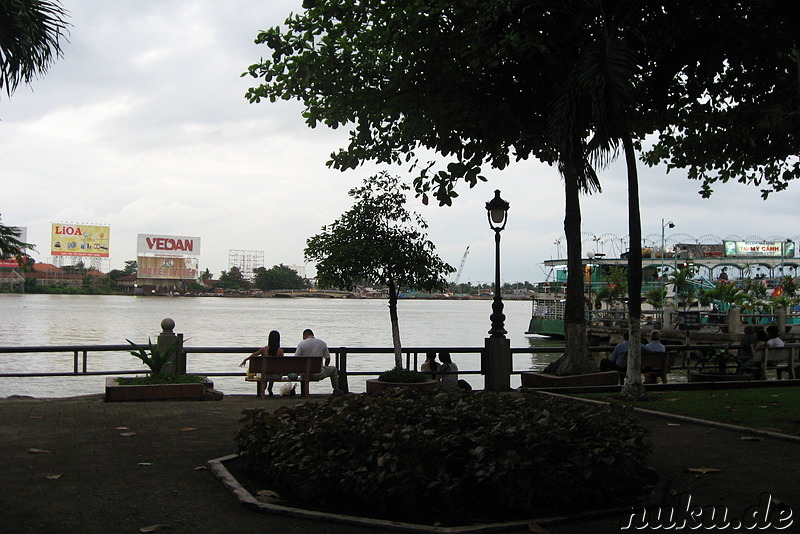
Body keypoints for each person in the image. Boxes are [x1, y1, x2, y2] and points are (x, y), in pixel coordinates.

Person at [294, 328, 343, 395]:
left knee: (303, 372)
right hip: (319, 373)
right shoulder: (322, 343)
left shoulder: (302, 344)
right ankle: (336, 389)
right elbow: (327, 358)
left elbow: (295, 359)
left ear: (305, 335)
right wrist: (325, 366)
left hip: (306, 375)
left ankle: (304, 393)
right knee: (334, 369)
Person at [240, 330, 284, 396]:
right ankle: (270, 388)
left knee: (265, 372)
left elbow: (254, 355)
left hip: (264, 375)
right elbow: (281, 364)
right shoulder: (280, 351)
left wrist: (245, 360)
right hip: (277, 376)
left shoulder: (264, 349)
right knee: (273, 371)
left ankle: (262, 391)